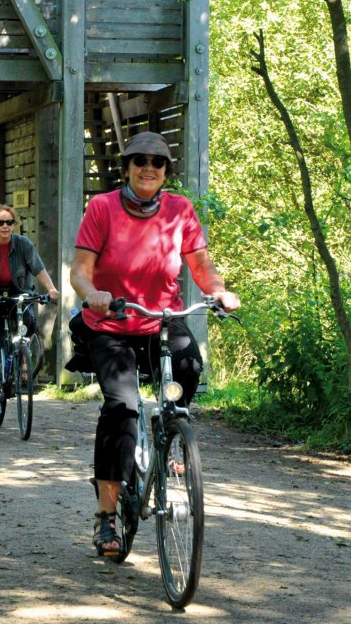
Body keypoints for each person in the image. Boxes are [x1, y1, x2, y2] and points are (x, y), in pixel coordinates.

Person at [69, 131, 240, 557]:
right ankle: (107, 517)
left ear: (167, 171)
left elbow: (200, 266)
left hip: (159, 319)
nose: (149, 168)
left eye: (158, 162)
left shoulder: (180, 210)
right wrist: (93, 293)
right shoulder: (102, 207)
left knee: (189, 365)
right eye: (140, 160)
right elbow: (79, 270)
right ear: (126, 167)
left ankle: (165, 439)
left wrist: (219, 291)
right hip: (110, 323)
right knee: (123, 408)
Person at [0, 204, 60, 415]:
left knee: (28, 321)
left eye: (9, 222)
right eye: (0, 222)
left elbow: (38, 268)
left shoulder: (23, 244)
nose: (5, 226)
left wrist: (51, 289)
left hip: (18, 293)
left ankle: (23, 362)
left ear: (14, 224)